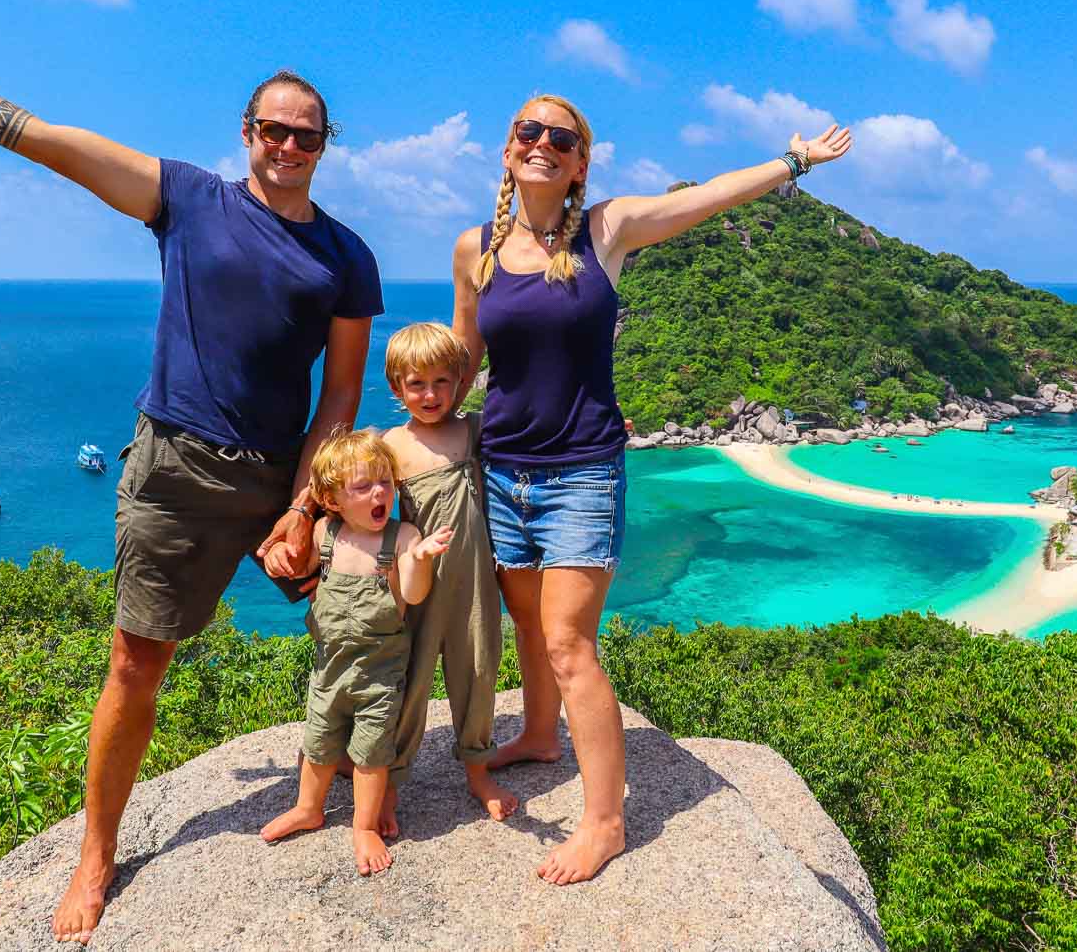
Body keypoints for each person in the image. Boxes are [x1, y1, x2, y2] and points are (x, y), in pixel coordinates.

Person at [0, 0, 383, 942]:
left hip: (281, 477)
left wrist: (302, 508)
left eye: (307, 136)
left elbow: (338, 399)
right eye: (274, 131)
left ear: (326, 146)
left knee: (367, 614)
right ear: (246, 133)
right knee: (137, 661)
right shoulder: (186, 198)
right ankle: (97, 854)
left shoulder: (345, 255)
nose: (288, 148)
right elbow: (29, 133)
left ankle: (370, 797)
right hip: (174, 468)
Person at [451, 94, 850, 885]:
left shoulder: (608, 228)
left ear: (579, 163)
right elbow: (465, 357)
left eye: (560, 138)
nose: (543, 144)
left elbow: (704, 201)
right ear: (507, 151)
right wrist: (419, 424)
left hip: (582, 470)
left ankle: (605, 821)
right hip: (500, 467)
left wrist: (793, 161)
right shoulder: (475, 248)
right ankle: (538, 734)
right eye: (528, 131)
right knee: (527, 620)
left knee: (569, 641)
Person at [261, 429, 451, 875]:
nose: (379, 493)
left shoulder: (402, 537)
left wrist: (421, 560)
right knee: (318, 741)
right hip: (328, 666)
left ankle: (363, 826)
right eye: (363, 487)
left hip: (378, 673)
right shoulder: (327, 533)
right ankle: (309, 806)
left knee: (369, 754)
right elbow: (299, 566)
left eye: (384, 481)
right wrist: (277, 557)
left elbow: (413, 594)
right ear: (332, 500)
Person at [379, 323, 518, 824]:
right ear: (397, 386)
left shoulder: (474, 428)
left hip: (476, 580)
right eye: (417, 384)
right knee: (409, 680)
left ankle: (478, 769)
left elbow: (530, 432)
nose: (431, 394)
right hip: (417, 582)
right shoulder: (390, 446)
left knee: (478, 670)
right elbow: (355, 499)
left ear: (461, 381)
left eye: (443, 381)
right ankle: (390, 783)